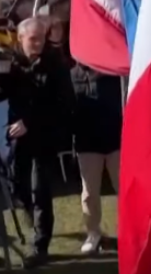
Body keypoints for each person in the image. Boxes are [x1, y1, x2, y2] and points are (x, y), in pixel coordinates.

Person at [7, 18, 76, 268]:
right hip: (18, 142)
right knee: (18, 188)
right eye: (32, 39)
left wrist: (30, 121)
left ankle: (40, 246)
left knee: (40, 191)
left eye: (41, 38)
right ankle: (33, 220)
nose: (37, 43)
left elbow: (64, 104)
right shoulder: (12, 63)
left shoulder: (55, 64)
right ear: (21, 38)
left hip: (45, 138)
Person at [71, 63, 122, 254]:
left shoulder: (115, 73)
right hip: (87, 144)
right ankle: (93, 233)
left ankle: (132, 231)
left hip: (116, 140)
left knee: (125, 189)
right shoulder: (72, 76)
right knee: (90, 193)